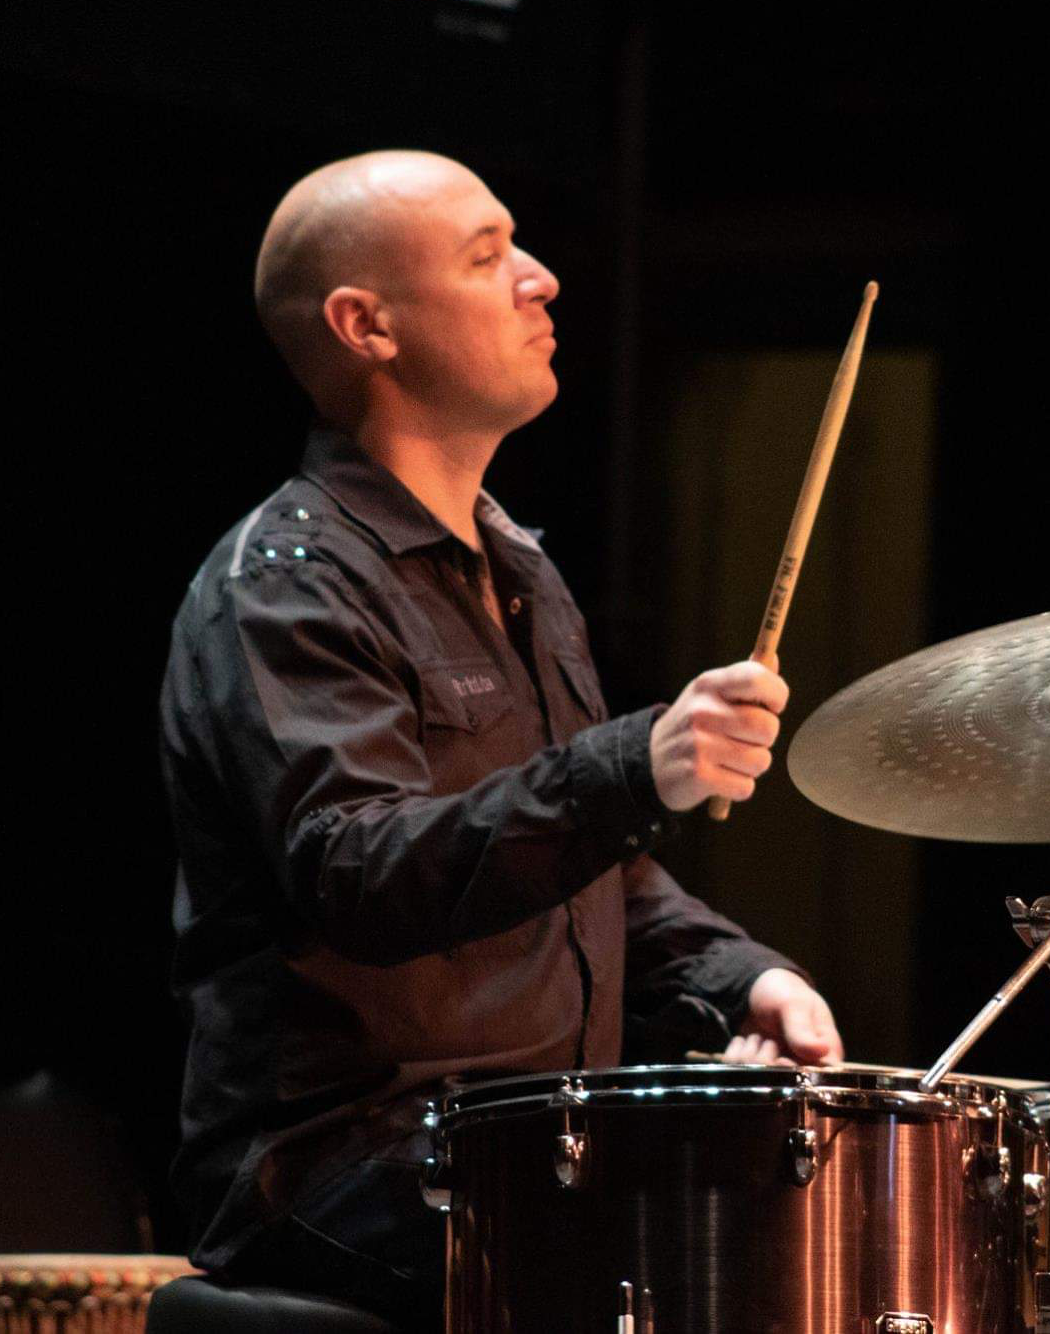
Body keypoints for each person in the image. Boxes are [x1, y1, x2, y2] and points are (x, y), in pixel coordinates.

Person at [158, 150, 842, 1329]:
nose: (541, 280)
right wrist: (632, 764)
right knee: (697, 1264)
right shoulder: (283, 586)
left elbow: (595, 873)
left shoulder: (516, 569)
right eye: (488, 257)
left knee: (817, 1220)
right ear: (365, 324)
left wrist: (745, 974)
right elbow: (359, 874)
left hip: (517, 1143)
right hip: (346, 1168)